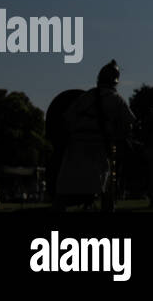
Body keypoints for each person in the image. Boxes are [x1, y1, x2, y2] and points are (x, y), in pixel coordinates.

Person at [54, 60, 135, 211]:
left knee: (67, 185)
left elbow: (67, 118)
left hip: (76, 147)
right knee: (106, 185)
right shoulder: (116, 99)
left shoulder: (86, 96)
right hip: (98, 147)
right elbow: (128, 124)